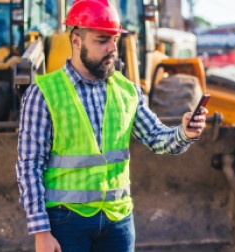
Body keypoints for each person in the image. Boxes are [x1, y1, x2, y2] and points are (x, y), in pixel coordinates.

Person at [15, 0, 207, 251]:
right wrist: (41, 232)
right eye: (102, 40)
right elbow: (29, 166)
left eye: (114, 40)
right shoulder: (43, 93)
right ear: (76, 40)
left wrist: (185, 133)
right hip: (67, 222)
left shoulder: (127, 91)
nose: (112, 49)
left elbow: (157, 138)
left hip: (118, 221)